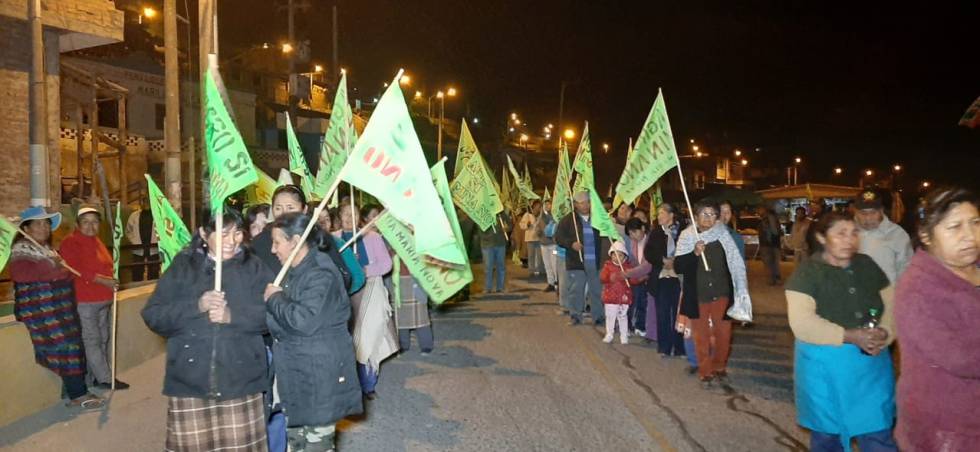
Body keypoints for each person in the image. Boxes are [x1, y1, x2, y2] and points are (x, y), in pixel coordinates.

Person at [142, 208, 271, 451]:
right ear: (203, 233)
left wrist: (233, 316)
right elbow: (154, 315)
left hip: (241, 382)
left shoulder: (254, 267)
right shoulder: (183, 266)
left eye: (237, 233)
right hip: (190, 384)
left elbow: (274, 314)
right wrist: (196, 306)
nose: (232, 241)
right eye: (223, 234)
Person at [785, 211, 898, 452]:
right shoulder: (807, 273)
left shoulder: (866, 265)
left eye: (854, 233)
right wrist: (850, 336)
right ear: (822, 237)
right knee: (829, 436)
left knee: (877, 432)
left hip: (871, 368)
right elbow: (802, 323)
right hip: (825, 368)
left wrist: (886, 332)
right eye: (841, 233)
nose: (849, 239)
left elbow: (891, 303)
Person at [264, 212, 363, 451]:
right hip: (299, 376)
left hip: (318, 381)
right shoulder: (294, 270)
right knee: (298, 444)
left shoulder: (321, 273)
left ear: (296, 241)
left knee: (316, 445)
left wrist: (274, 298)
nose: (272, 249)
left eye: (277, 242)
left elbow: (303, 320)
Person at [894, 187, 980, 451]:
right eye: (955, 227)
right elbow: (964, 359)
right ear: (925, 236)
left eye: (975, 223)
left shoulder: (973, 268)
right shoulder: (919, 288)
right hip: (948, 429)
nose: (970, 236)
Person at [10, 206, 105, 410]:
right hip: (40, 311)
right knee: (67, 345)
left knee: (73, 343)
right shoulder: (22, 249)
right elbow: (22, 275)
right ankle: (78, 395)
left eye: (46, 223)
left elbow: (65, 274)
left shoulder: (49, 250)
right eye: (38, 224)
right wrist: (53, 267)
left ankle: (72, 390)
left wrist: (58, 268)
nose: (44, 227)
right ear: (26, 229)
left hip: (58, 309)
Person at [675, 201, 752, 386]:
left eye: (711, 214)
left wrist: (740, 289)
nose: (708, 218)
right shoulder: (687, 236)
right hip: (698, 294)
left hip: (722, 292)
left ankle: (719, 366)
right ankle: (705, 370)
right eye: (704, 214)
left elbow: (735, 263)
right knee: (700, 335)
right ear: (696, 217)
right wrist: (694, 253)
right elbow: (678, 266)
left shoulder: (723, 235)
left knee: (723, 334)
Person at [58, 206, 128, 390]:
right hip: (85, 300)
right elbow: (75, 269)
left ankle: (95, 376)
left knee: (103, 338)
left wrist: (113, 279)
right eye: (86, 222)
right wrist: (102, 280)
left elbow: (106, 266)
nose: (90, 226)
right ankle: (105, 378)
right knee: (92, 340)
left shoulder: (97, 242)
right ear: (77, 224)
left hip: (102, 300)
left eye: (94, 222)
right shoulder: (70, 243)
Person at [335, 203, 397, 400]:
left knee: (368, 338)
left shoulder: (372, 236)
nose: (348, 217)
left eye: (352, 213)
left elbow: (386, 264)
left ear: (359, 217)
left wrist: (365, 270)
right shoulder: (334, 238)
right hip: (345, 293)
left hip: (370, 289)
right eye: (345, 214)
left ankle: (368, 385)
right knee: (348, 340)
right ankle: (350, 386)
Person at [253, 185, 362, 295]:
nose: (284, 213)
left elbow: (343, 277)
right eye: (278, 208)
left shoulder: (318, 236)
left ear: (304, 209)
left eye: (290, 207)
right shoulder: (261, 241)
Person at [554, 191, 607, 326]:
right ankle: (575, 315)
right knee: (576, 290)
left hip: (595, 261)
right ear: (575, 205)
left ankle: (599, 316)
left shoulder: (598, 218)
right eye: (581, 203)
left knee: (596, 290)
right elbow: (558, 237)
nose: (585, 206)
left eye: (587, 202)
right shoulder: (568, 220)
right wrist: (571, 244)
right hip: (576, 261)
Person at [644, 203, 686, 358]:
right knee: (662, 313)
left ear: (671, 215)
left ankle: (680, 347)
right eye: (658, 213)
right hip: (661, 277)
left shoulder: (682, 232)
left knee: (678, 313)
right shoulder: (655, 233)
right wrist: (662, 260)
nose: (659, 216)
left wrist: (675, 261)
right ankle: (664, 347)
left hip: (678, 278)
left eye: (662, 213)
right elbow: (648, 253)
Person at [854, 189, 914, 284]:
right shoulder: (849, 232)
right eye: (863, 213)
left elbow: (907, 270)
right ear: (856, 212)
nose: (868, 218)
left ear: (881, 211)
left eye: (873, 213)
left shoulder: (897, 234)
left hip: (886, 294)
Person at [599, 241, 643, 344]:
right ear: (611, 255)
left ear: (624, 257)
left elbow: (633, 280)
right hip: (610, 297)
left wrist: (638, 279)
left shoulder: (627, 267)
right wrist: (609, 277)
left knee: (623, 317)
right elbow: (602, 278)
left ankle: (624, 336)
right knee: (610, 317)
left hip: (624, 297)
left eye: (620, 255)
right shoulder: (607, 266)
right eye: (614, 255)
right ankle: (609, 334)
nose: (617, 257)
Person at [391, 259, 435, 355]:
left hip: (415, 281)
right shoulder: (391, 247)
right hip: (397, 282)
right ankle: (403, 345)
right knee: (400, 316)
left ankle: (426, 345)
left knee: (421, 317)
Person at [623, 218, 651, 336]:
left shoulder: (650, 241)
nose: (633, 236)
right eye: (630, 234)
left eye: (635, 232)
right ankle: (632, 325)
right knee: (634, 301)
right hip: (637, 277)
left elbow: (649, 263)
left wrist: (630, 273)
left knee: (646, 304)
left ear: (643, 229)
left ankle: (643, 326)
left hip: (649, 277)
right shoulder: (632, 243)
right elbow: (633, 260)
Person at [126, 197, 159, 281]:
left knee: (154, 270)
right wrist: (133, 240)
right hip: (138, 245)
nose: (146, 203)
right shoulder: (134, 216)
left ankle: (153, 287)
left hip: (153, 246)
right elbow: (128, 230)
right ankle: (136, 287)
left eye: (148, 201)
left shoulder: (157, 215)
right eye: (145, 202)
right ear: (142, 203)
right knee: (137, 269)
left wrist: (159, 240)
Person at [478, 213, 511, 294]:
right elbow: (480, 230)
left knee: (501, 266)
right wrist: (487, 236)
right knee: (488, 267)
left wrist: (507, 228)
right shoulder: (482, 214)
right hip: (487, 245)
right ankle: (488, 287)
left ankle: (500, 287)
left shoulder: (501, 214)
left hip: (500, 243)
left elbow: (510, 225)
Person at [757, 204, 783, 285]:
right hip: (774, 243)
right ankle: (776, 278)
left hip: (768, 244)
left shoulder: (766, 219)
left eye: (759, 209)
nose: (758, 211)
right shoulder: (774, 218)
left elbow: (772, 231)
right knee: (775, 262)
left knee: (769, 262)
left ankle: (772, 279)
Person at [536, 200, 558, 292]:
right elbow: (538, 230)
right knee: (547, 264)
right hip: (543, 244)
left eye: (549, 204)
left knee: (554, 264)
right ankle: (551, 283)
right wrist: (538, 232)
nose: (547, 206)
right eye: (545, 204)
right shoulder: (540, 218)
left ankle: (557, 283)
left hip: (553, 245)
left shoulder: (555, 217)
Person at [521, 200, 544, 277]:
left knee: (540, 256)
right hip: (530, 238)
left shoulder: (541, 215)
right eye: (537, 206)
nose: (538, 208)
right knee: (531, 256)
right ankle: (531, 271)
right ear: (533, 206)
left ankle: (540, 270)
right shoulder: (527, 215)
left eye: (540, 206)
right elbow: (521, 225)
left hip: (539, 238)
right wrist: (527, 225)